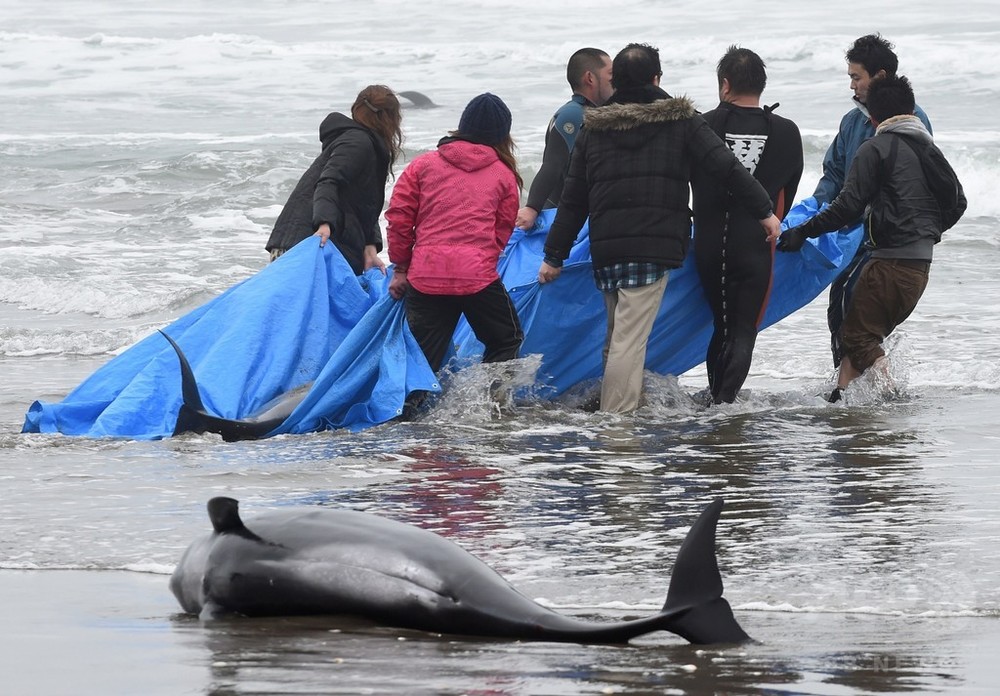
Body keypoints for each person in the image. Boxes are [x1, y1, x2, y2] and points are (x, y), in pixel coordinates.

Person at [537, 43, 782, 414]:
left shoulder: (594, 128)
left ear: (616, 80)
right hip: (652, 247)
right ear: (657, 78)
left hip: (607, 248)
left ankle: (616, 408)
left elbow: (573, 199)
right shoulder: (680, 120)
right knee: (628, 341)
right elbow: (726, 167)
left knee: (617, 336)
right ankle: (616, 424)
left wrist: (554, 255)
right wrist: (765, 210)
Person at [779, 74, 965, 402]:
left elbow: (847, 206)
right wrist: (926, 235)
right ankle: (841, 395)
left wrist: (802, 232)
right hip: (919, 267)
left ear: (873, 117)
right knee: (861, 328)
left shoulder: (874, 148)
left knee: (855, 336)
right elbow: (957, 202)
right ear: (910, 110)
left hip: (889, 264)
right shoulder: (928, 149)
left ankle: (890, 395)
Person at [692, 46, 803, 405]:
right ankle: (722, 409)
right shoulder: (787, 132)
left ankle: (715, 403)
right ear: (762, 85)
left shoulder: (702, 126)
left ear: (725, 85)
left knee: (721, 327)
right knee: (742, 331)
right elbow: (788, 192)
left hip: (708, 245)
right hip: (755, 245)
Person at [387, 92, 524, 381]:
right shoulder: (503, 173)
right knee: (505, 340)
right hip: (477, 279)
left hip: (426, 276)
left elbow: (399, 219)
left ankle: (406, 416)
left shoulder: (422, 165)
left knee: (423, 360)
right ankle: (488, 406)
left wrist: (401, 268)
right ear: (502, 134)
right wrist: (480, 260)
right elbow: (503, 228)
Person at [815, 34, 932, 368]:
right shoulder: (852, 121)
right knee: (839, 306)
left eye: (856, 77)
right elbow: (834, 174)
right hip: (851, 237)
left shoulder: (912, 122)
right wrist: (813, 215)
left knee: (856, 318)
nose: (852, 85)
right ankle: (851, 389)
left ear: (879, 77)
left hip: (888, 243)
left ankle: (863, 388)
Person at [264, 85, 403, 275]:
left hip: (311, 245)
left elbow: (365, 203)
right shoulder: (357, 143)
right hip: (304, 246)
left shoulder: (367, 145)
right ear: (389, 119)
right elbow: (329, 181)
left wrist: (370, 245)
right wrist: (324, 224)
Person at [514, 48, 614, 231]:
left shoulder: (592, 113)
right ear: (590, 78)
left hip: (579, 217)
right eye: (610, 74)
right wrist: (532, 207)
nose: (614, 80)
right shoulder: (573, 114)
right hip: (558, 216)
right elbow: (553, 164)